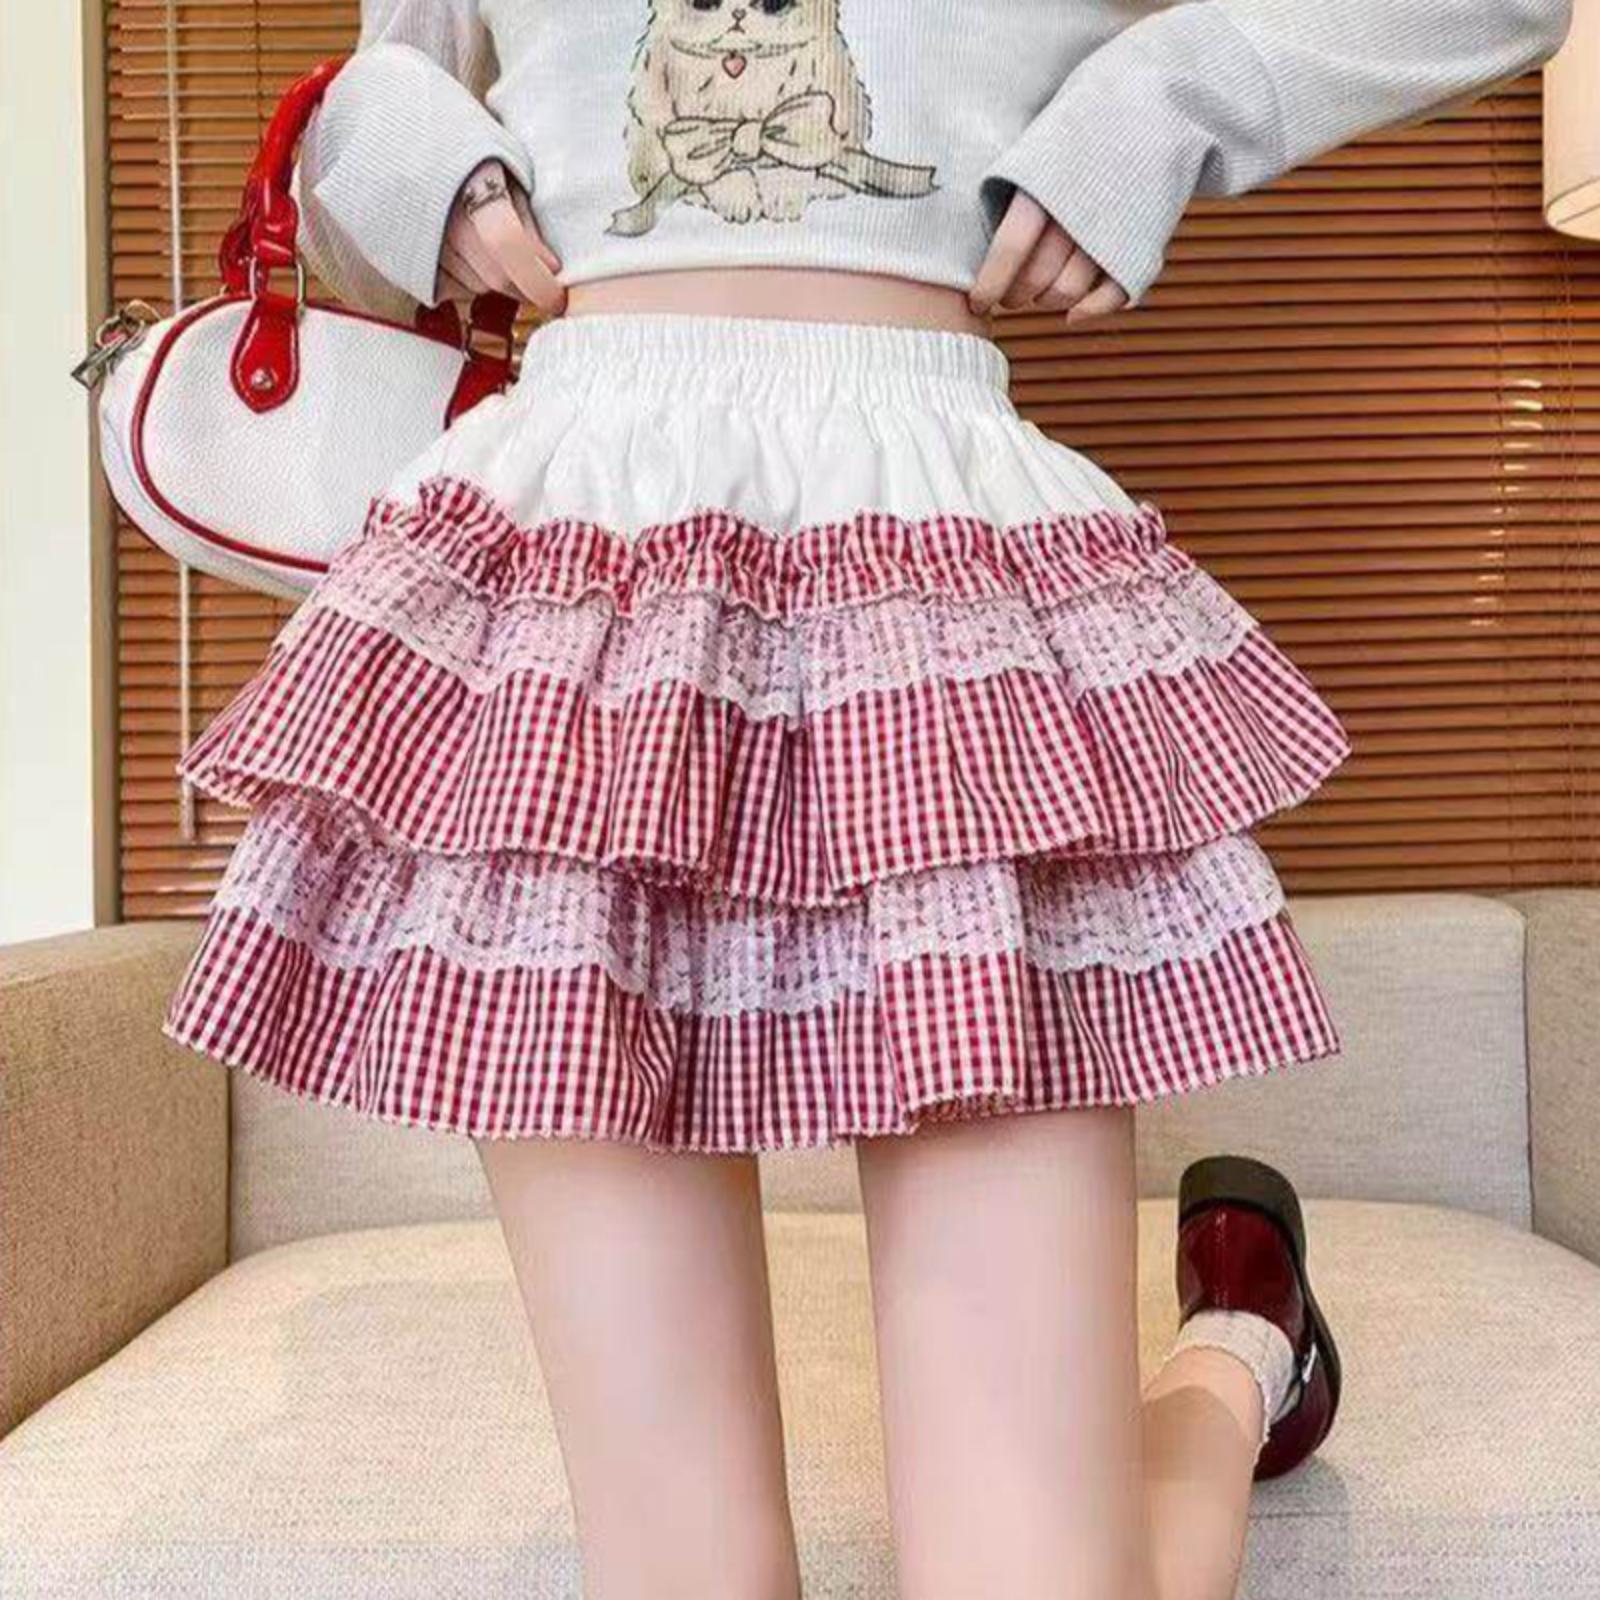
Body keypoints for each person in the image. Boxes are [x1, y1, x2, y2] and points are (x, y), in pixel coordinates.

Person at [160, 3, 1574, 1596]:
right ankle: (1247, 1338)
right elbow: (373, 143)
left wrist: (1166, 98)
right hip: (578, 598)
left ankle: (1237, 1350)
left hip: (936, 550)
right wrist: (418, 160)